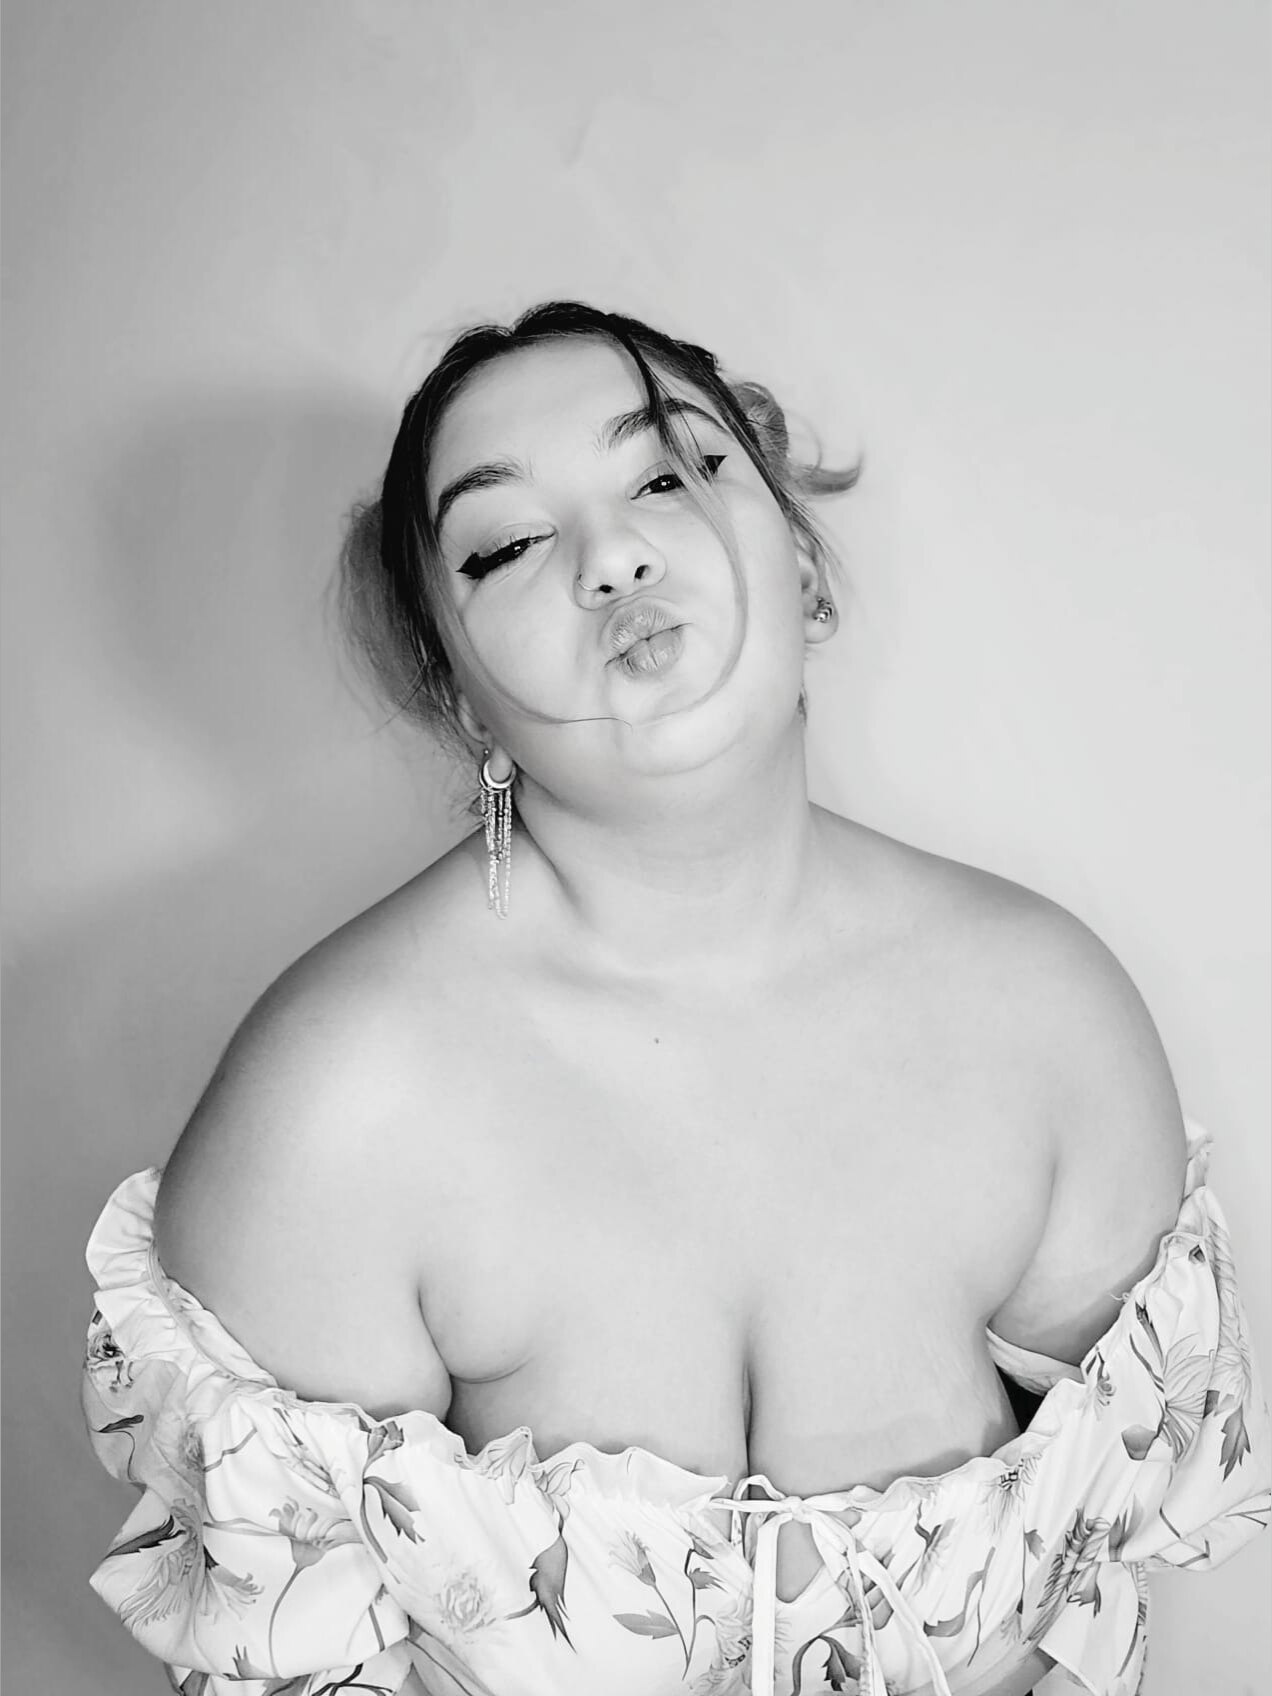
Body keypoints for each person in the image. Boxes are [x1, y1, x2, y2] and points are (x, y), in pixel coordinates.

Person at [82, 302, 1269, 1696]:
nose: (612, 556)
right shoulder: (331, 1111)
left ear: (802, 562)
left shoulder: (1055, 1024)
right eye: (505, 543)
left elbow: (1090, 1609)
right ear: (458, 697)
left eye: (666, 473)